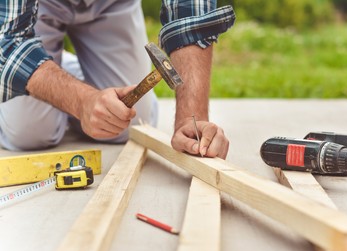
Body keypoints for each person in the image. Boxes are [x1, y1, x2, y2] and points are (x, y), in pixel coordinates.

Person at [0, 0, 235, 159]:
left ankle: (60, 65)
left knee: (128, 122)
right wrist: (81, 100)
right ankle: (54, 65)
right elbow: (8, 41)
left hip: (110, 4)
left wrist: (191, 120)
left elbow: (189, 9)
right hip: (33, 10)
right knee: (30, 134)